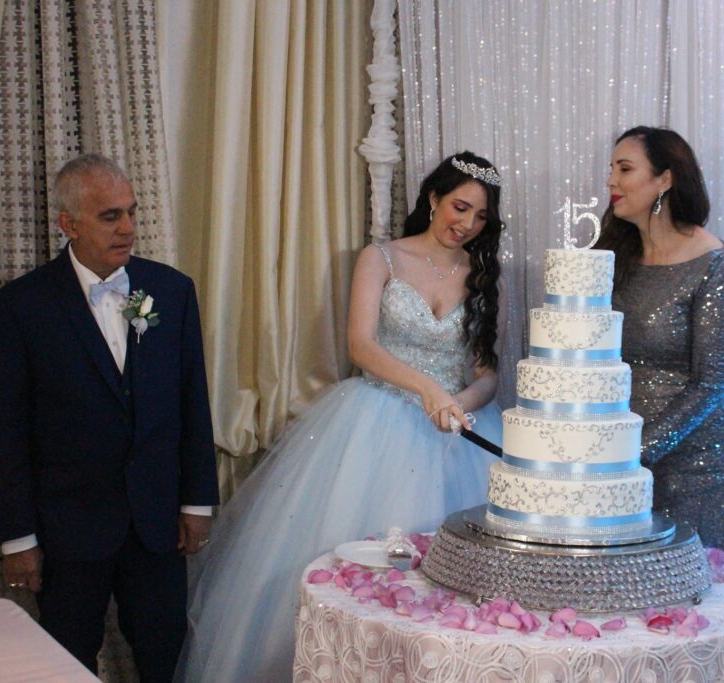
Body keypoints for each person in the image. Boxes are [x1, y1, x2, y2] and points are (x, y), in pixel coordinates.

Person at [176, 151, 506, 682]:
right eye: (460, 207)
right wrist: (425, 388)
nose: (466, 224)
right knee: (364, 581)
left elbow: (488, 373)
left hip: (456, 432)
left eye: (480, 217)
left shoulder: (485, 276)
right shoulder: (382, 258)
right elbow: (361, 344)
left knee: (449, 588)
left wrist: (458, 405)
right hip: (373, 423)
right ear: (433, 198)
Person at [0, 154, 220, 681]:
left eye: (132, 213)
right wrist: (18, 537)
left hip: (156, 524)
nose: (128, 228)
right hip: (66, 529)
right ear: (69, 223)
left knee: (165, 655)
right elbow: (2, 433)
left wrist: (197, 499)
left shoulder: (171, 291)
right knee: (65, 660)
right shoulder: (18, 308)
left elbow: (190, 401)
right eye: (111, 216)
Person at [596, 126, 724, 559]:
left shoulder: (712, 262)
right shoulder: (612, 255)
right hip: (621, 461)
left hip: (697, 464)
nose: (611, 181)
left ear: (664, 179)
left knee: (696, 602)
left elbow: (712, 383)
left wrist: (639, 451)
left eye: (625, 169)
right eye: (611, 169)